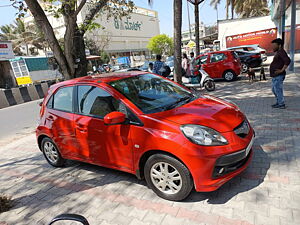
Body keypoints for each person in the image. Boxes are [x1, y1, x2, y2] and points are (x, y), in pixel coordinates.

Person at [269, 38, 291, 109]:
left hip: (279, 76)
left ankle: (281, 104)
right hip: (275, 76)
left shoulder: (281, 52)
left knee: (278, 89)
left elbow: (287, 61)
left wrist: (281, 70)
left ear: (279, 45)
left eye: (274, 45)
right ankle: (279, 102)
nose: (272, 47)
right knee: (274, 89)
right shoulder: (278, 52)